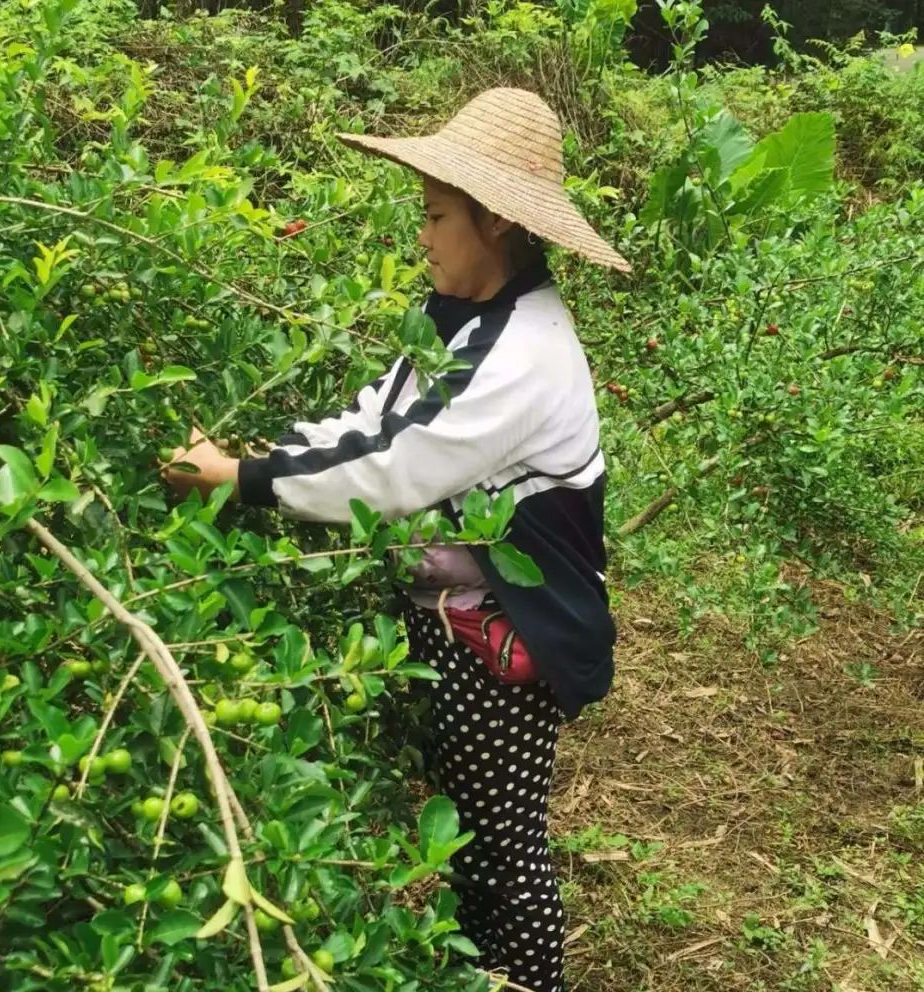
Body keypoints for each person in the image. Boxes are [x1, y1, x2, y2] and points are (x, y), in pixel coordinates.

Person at [161, 87, 629, 992]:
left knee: (503, 841)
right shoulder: (457, 316)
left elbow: (396, 468)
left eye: (435, 215)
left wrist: (240, 479)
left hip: (512, 637)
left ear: (494, 219)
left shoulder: (528, 351)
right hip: (448, 618)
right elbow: (378, 416)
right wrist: (267, 455)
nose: (422, 236)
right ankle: (471, 972)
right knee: (462, 827)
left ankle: (526, 981)